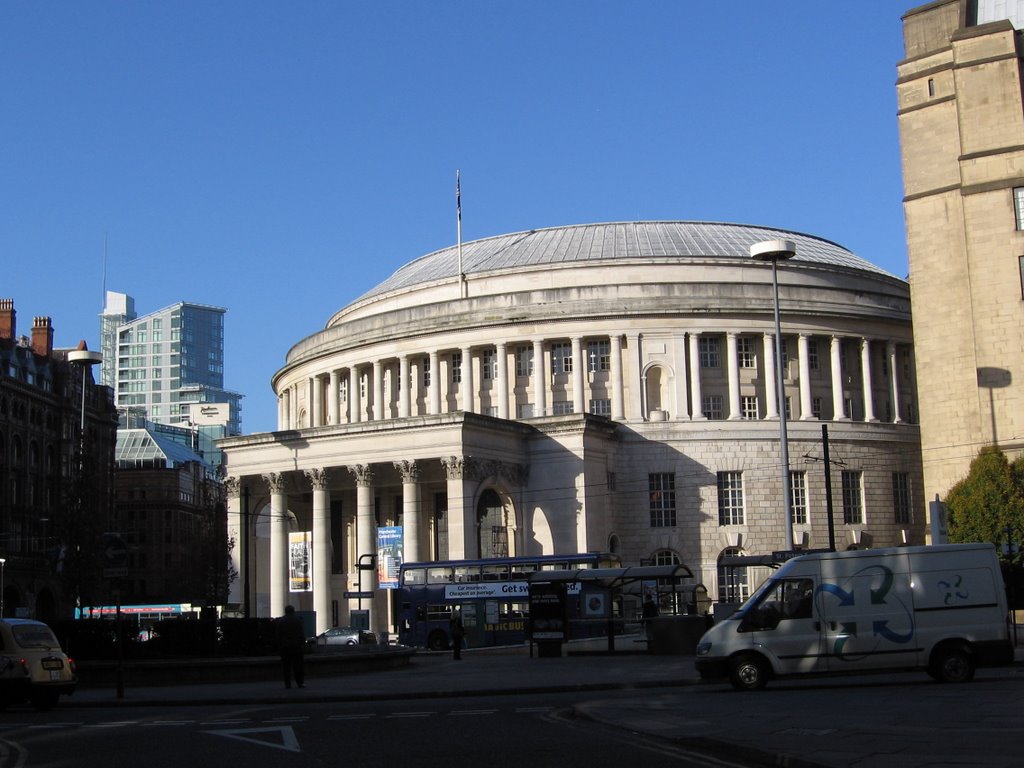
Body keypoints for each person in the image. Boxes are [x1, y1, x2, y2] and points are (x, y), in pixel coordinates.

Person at [275, 605, 306, 689]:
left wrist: (279, 645)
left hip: (285, 646)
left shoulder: (281, 621)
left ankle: (287, 684)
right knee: (298, 666)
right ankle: (300, 682)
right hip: (296, 646)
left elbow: (278, 635)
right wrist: (303, 644)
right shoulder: (297, 620)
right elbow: (301, 633)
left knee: (286, 667)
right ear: (293, 611)